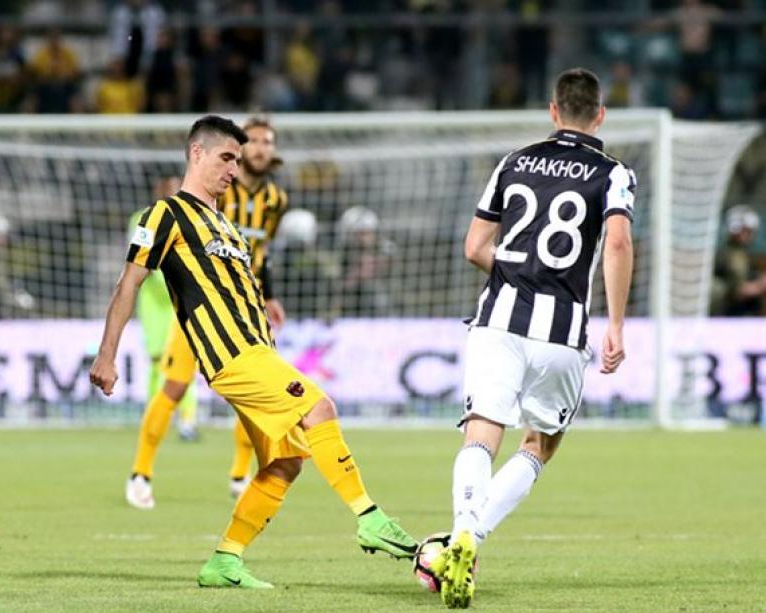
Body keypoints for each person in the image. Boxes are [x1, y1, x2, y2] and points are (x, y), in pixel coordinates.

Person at [91, 115, 418, 588]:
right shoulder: (165, 214)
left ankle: (225, 560)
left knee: (285, 463)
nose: (233, 169)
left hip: (258, 350)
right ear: (197, 153)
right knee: (320, 408)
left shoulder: (227, 225)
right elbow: (128, 283)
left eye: (238, 160)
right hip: (231, 356)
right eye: (226, 158)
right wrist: (107, 354)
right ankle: (370, 517)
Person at [431, 68, 635, 608]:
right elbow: (617, 244)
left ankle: (461, 529)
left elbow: (475, 247)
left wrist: (519, 274)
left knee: (480, 434)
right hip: (562, 331)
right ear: (600, 115)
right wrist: (616, 324)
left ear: (552, 110)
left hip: (499, 319)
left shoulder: (513, 162)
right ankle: (474, 537)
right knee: (539, 444)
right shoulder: (613, 173)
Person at [124, 117, 291, 510]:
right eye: (255, 141)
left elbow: (261, 253)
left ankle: (240, 475)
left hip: (247, 314)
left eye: (268, 142)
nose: (262, 148)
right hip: (200, 311)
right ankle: (140, 473)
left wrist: (270, 295)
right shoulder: (216, 190)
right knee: (174, 387)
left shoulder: (276, 201)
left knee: (254, 394)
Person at [129, 175, 201, 445]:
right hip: (154, 302)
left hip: (182, 299)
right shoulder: (141, 219)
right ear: (158, 190)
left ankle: (187, 420)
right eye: (169, 187)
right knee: (157, 361)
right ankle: (154, 417)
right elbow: (138, 259)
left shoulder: (193, 219)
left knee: (184, 360)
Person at [710, 205, 766, 316]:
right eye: (745, 230)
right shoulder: (730, 255)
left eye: (749, 231)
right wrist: (761, 285)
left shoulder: (740, 253)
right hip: (726, 313)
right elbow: (739, 292)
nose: (748, 234)